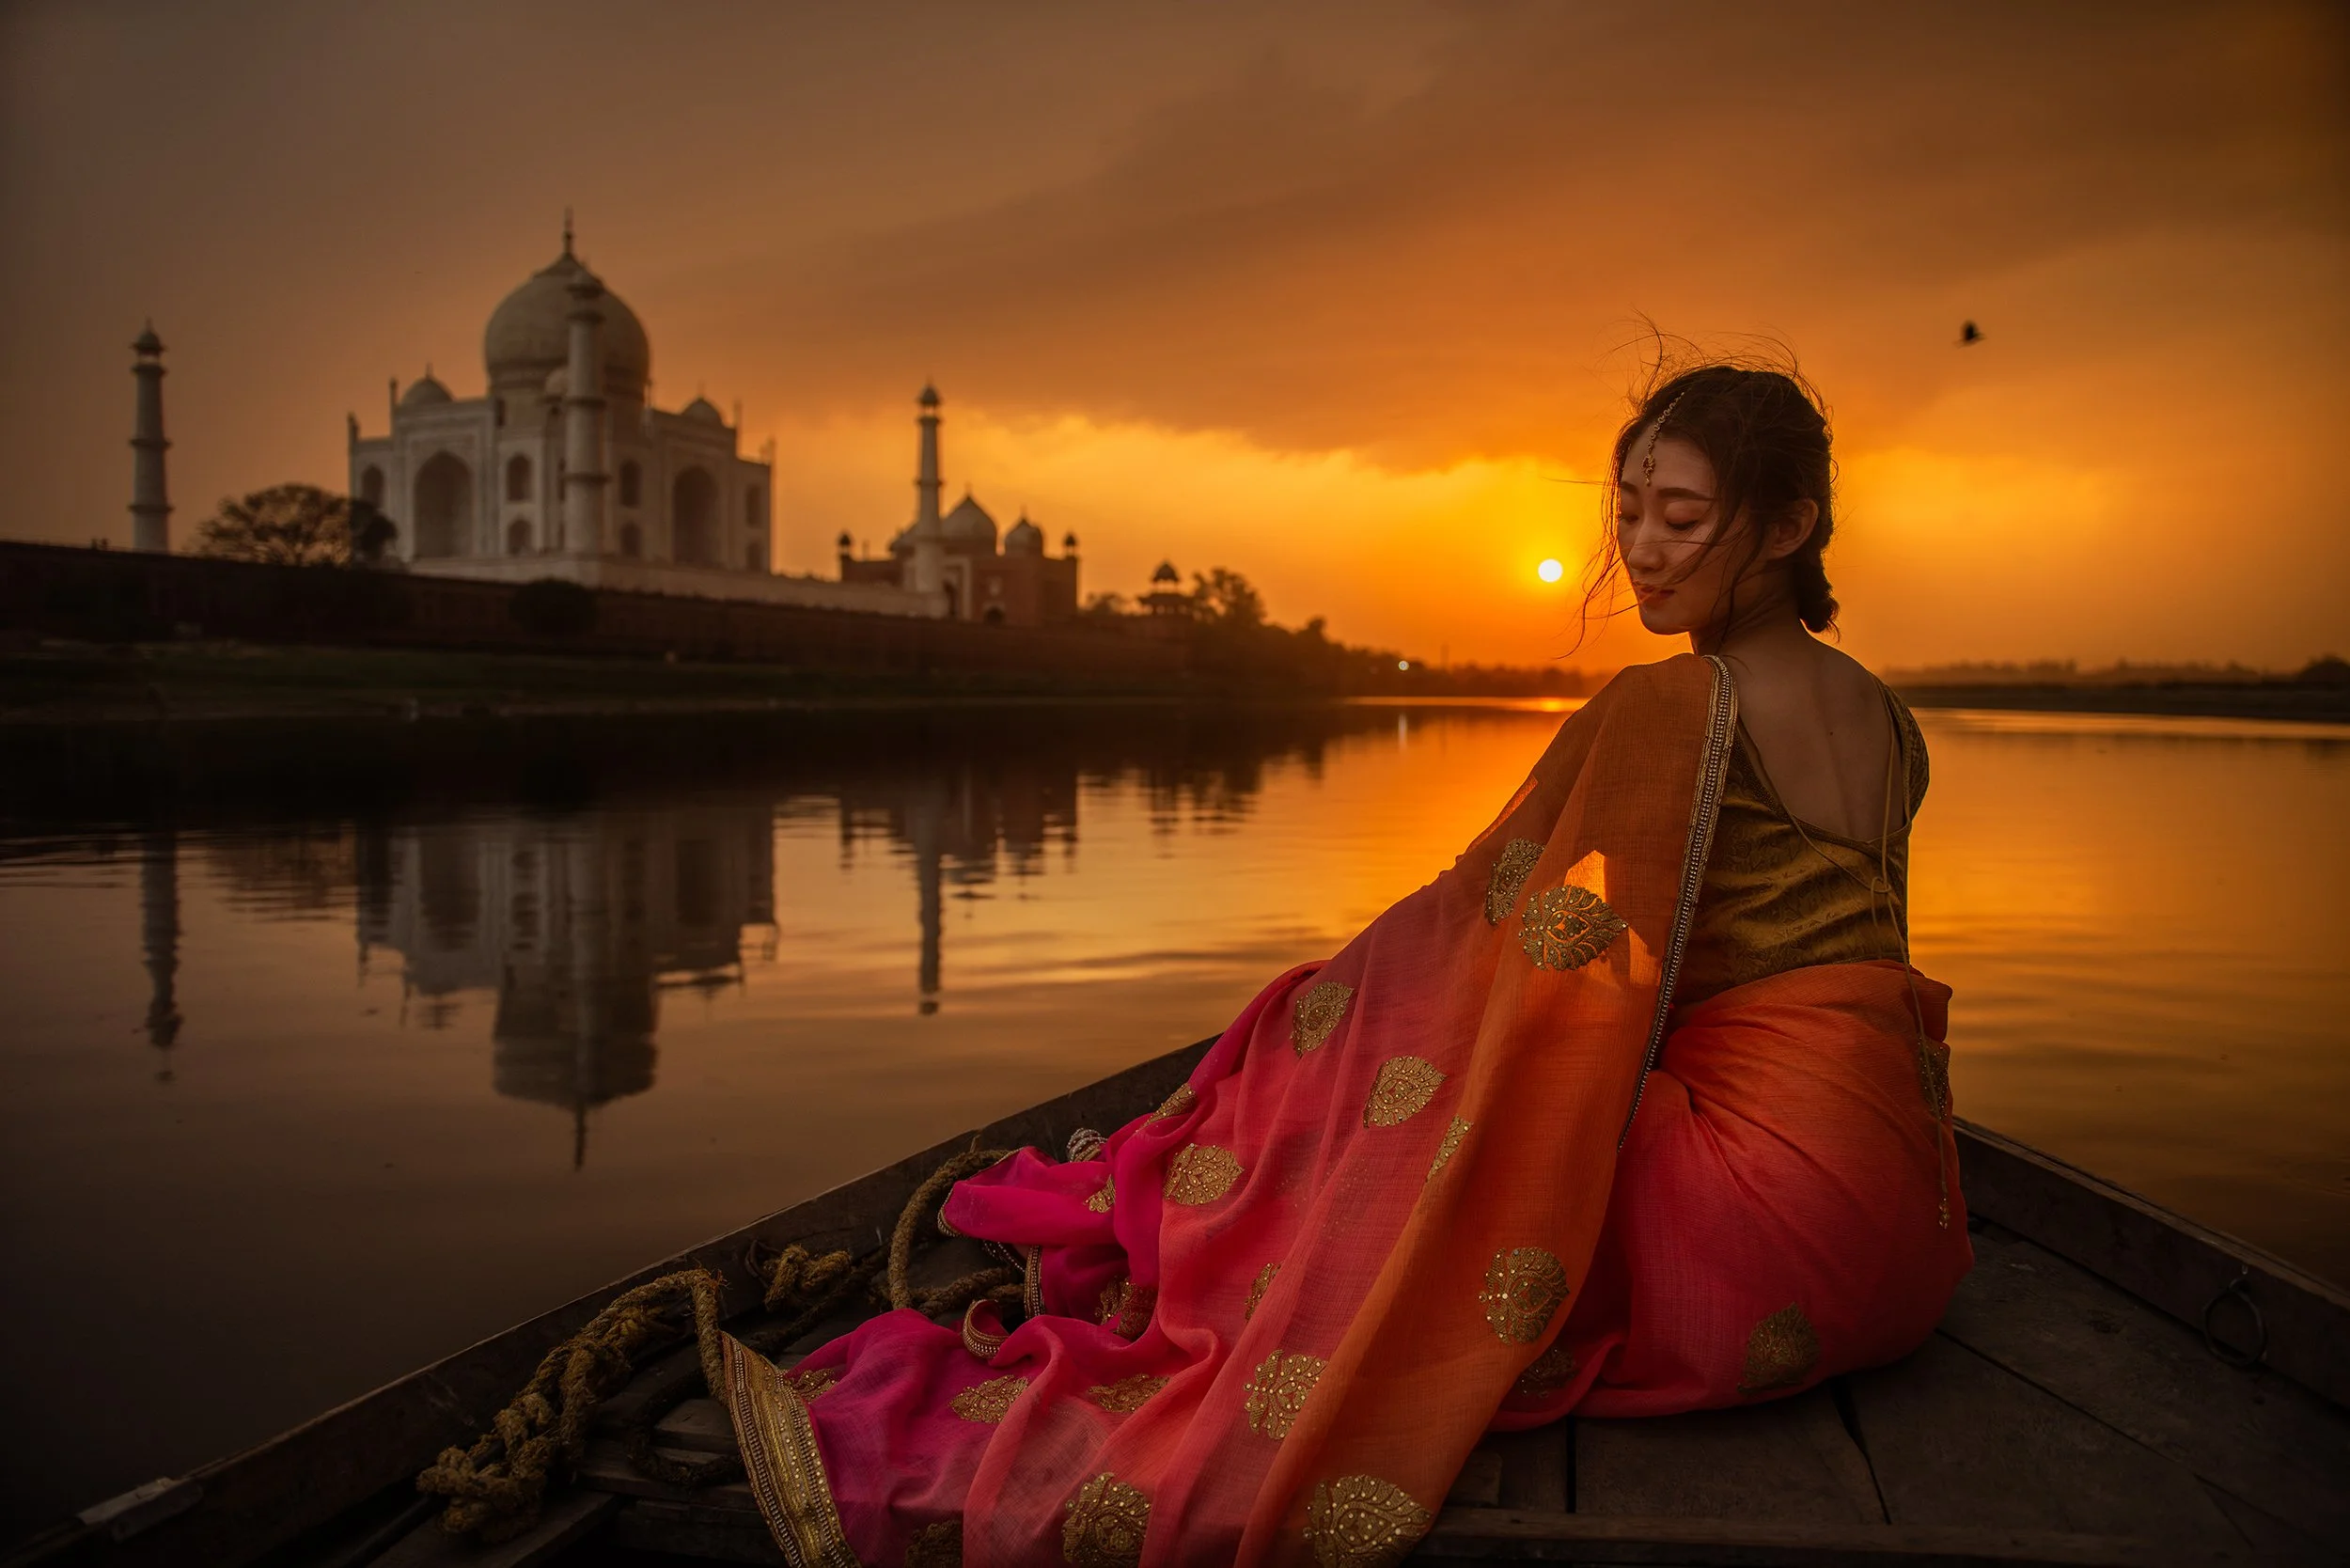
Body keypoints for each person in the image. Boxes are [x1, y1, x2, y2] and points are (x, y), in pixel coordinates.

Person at [718, 363, 1971, 1568]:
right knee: (1446, 1054)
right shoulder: (1888, 715)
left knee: (1386, 1068)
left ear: (1792, 524)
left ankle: (1200, 1187)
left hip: (1756, 1238)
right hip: (1902, 1238)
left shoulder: (1676, 707)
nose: (1641, 547)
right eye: (1629, 512)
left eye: (1682, 517)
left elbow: (1502, 927)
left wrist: (1327, 1014)